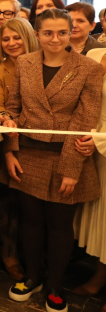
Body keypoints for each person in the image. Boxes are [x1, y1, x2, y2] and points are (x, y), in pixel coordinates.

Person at [0, 8, 103, 312]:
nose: (55, 39)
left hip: (65, 155)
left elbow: (84, 120)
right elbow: (12, 109)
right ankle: (33, 277)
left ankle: (56, 286)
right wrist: (10, 150)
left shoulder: (87, 68)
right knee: (30, 222)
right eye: (48, 33)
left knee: (59, 225)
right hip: (27, 154)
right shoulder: (25, 62)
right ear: (37, 34)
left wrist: (72, 168)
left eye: (61, 32)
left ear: (71, 33)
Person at [0, 18, 39, 281]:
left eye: (17, 37)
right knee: (9, 205)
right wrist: (7, 121)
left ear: (28, 36)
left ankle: (36, 258)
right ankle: (9, 255)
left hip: (43, 147)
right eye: (6, 39)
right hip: (11, 142)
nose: (11, 43)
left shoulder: (45, 63)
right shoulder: (0, 71)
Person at [72, 46, 106, 300]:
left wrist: (100, 140)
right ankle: (100, 275)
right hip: (90, 149)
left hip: (100, 142)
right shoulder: (94, 54)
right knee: (101, 218)